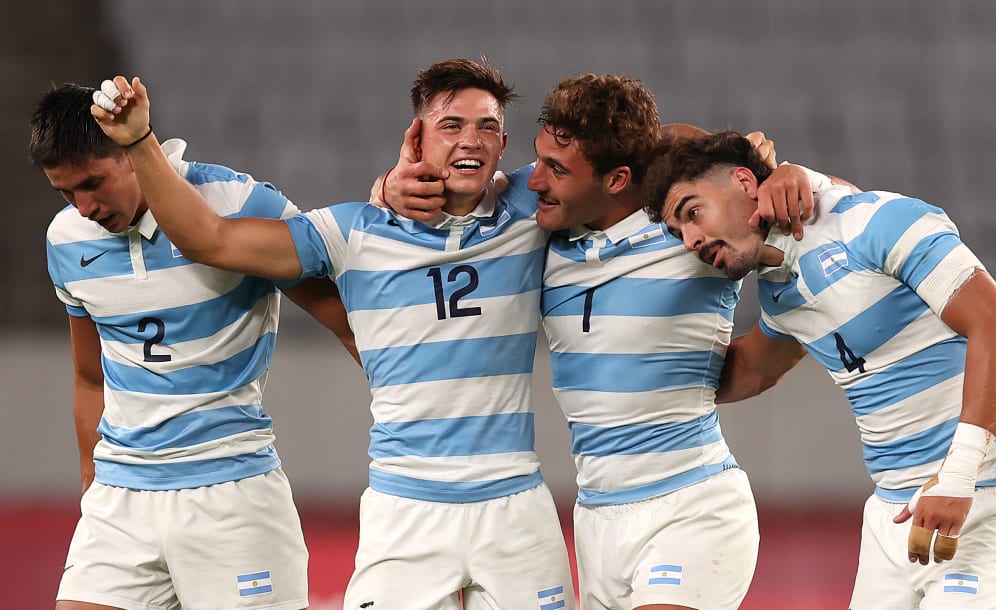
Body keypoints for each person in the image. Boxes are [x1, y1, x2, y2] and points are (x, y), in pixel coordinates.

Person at [88, 60, 575, 610]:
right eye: (452, 125)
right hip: (404, 511)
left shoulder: (534, 209)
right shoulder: (352, 232)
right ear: (416, 137)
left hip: (516, 507)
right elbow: (213, 241)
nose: (473, 140)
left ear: (505, 141)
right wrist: (139, 141)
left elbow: (636, 159)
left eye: (487, 127)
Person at [379, 74, 836, 610]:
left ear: (618, 179)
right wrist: (389, 185)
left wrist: (789, 178)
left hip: (691, 504)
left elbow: (819, 224)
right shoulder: (538, 225)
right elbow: (455, 201)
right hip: (596, 519)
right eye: (540, 159)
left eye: (557, 169)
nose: (533, 181)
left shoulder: (686, 226)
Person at [641, 131, 996, 609]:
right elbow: (750, 370)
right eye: (679, 231)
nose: (691, 240)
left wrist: (959, 477)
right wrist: (633, 377)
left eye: (693, 212)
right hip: (890, 521)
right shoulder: (778, 292)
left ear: (746, 182)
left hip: (978, 502)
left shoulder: (876, 222)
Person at [33, 83, 358, 610]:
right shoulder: (65, 240)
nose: (84, 207)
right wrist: (93, 487)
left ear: (131, 150)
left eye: (93, 183)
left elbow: (347, 322)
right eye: (66, 193)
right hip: (120, 500)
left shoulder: (241, 203)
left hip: (231, 495)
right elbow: (90, 378)